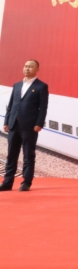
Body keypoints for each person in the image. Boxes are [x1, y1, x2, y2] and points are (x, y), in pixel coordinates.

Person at [1, 60, 48, 192]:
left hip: (29, 126)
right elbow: (11, 105)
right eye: (25, 66)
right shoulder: (17, 85)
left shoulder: (41, 86)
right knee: (11, 155)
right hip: (13, 125)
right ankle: (7, 182)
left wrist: (39, 123)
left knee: (28, 155)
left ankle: (26, 182)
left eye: (30, 67)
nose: (27, 69)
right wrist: (6, 121)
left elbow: (43, 108)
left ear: (37, 69)